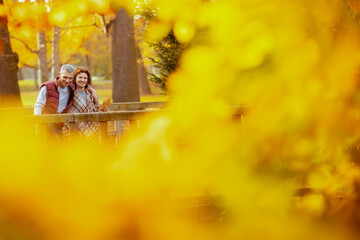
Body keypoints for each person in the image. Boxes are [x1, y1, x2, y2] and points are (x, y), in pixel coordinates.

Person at [34, 64, 98, 137]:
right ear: (59, 74)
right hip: (48, 124)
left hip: (63, 124)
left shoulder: (71, 86)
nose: (67, 80)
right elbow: (38, 105)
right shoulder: (47, 87)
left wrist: (93, 90)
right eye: (65, 77)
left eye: (70, 78)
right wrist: (38, 124)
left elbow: (83, 84)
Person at [62, 67, 104, 138]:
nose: (82, 80)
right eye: (80, 77)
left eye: (85, 78)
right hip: (74, 129)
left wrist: (102, 110)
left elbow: (94, 110)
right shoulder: (70, 93)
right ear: (75, 79)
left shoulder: (90, 94)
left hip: (91, 130)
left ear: (87, 80)